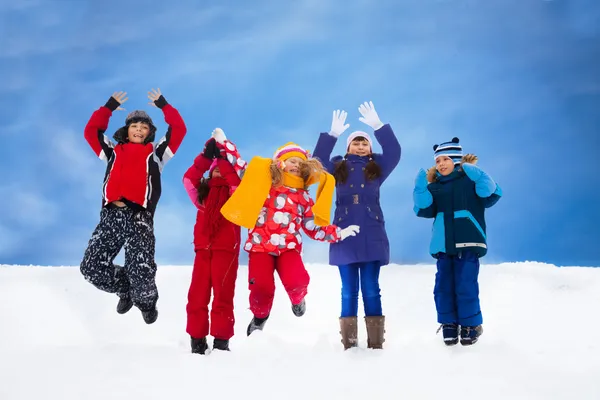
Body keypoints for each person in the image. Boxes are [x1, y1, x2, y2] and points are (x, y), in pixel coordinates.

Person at [220, 142, 360, 336]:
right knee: (260, 287)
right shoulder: (265, 181)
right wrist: (225, 144)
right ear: (280, 163)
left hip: (288, 248)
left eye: (300, 164)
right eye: (292, 161)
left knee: (298, 280)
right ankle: (260, 317)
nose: (296, 165)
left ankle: (298, 299)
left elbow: (312, 227)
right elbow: (242, 167)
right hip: (261, 246)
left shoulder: (303, 197)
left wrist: (339, 233)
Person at [80, 89, 187, 324]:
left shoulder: (156, 154)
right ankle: (124, 289)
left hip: (139, 218)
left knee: (141, 269)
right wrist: (107, 108)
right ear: (126, 130)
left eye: (144, 127)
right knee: (91, 267)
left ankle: (147, 303)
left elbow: (179, 130)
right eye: (134, 126)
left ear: (150, 133)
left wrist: (163, 105)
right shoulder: (112, 152)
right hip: (111, 216)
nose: (138, 130)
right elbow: (91, 132)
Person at [312, 101, 401, 350]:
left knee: (371, 288)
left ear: (370, 148)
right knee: (348, 290)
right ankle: (350, 345)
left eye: (365, 143)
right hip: (343, 235)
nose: (360, 146)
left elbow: (394, 152)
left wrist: (379, 126)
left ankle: (375, 345)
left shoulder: (377, 168)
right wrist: (331, 136)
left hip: (372, 234)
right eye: (356, 142)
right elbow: (316, 162)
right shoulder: (337, 168)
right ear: (348, 146)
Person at [412, 137, 502, 346]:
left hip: (467, 243)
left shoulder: (470, 182)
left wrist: (477, 173)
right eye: (438, 161)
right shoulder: (436, 187)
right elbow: (423, 209)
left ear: (456, 160)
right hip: (443, 246)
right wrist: (420, 189)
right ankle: (449, 325)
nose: (441, 164)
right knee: (443, 286)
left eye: (445, 159)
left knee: (465, 284)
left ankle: (470, 326)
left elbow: (491, 192)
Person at [182, 128, 246, 354]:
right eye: (214, 169)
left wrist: (224, 157)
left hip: (226, 251)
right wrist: (206, 157)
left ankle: (221, 341)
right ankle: (197, 339)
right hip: (203, 251)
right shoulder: (202, 196)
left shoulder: (235, 195)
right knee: (197, 295)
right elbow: (189, 178)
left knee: (223, 295)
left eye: (223, 169)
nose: (218, 170)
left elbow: (237, 181)